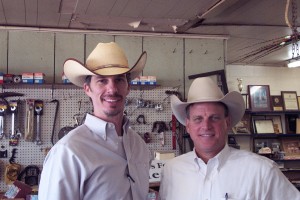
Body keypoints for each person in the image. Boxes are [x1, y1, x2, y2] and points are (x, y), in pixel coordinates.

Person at [38, 42, 151, 200]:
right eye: (102, 81)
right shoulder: (68, 152)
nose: (112, 89)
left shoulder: (139, 146)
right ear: (87, 89)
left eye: (119, 80)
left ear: (128, 87)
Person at [159, 77, 300, 200]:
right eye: (198, 119)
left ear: (227, 122)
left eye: (214, 118)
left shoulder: (262, 171)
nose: (206, 126)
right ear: (188, 126)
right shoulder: (172, 170)